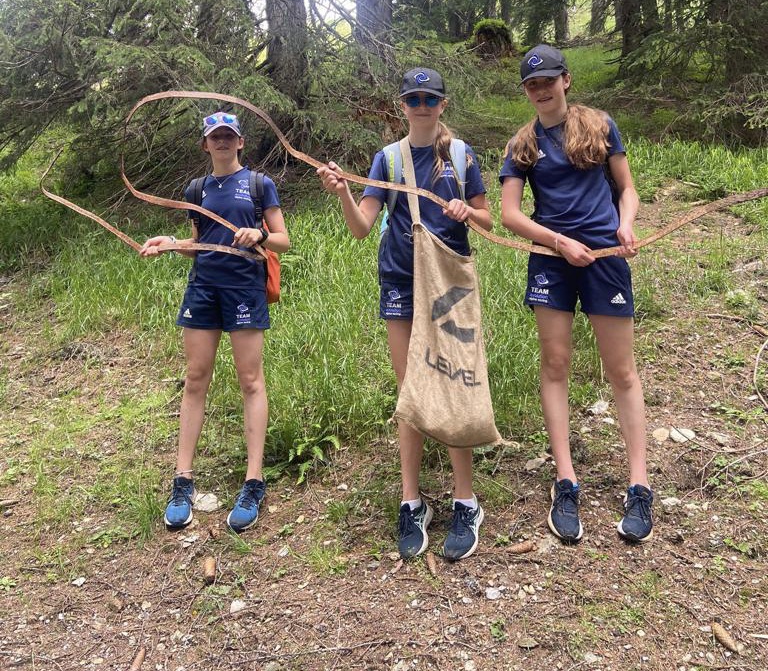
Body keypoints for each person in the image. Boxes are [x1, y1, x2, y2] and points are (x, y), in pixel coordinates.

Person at [317, 68, 493, 561]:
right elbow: (361, 227)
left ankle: (465, 502)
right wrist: (343, 192)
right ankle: (411, 501)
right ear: (402, 105)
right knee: (411, 389)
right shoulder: (388, 159)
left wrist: (466, 212)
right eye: (413, 99)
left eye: (430, 99)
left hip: (449, 283)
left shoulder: (461, 155)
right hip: (400, 279)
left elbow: (486, 219)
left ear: (442, 104)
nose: (421, 106)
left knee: (454, 380)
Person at [499, 45, 653, 544]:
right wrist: (557, 241)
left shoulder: (600, 125)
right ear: (526, 91)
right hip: (551, 262)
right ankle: (564, 480)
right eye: (532, 84)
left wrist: (626, 225)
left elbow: (627, 188)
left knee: (621, 370)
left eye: (548, 80)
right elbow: (509, 214)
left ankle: (639, 484)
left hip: (605, 258)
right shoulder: (521, 144)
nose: (541, 90)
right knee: (555, 364)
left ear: (565, 80)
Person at [141, 111, 290, 533]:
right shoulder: (197, 189)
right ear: (205, 144)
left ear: (240, 142)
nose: (222, 141)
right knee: (195, 378)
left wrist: (260, 235)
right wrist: (171, 244)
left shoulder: (259, 184)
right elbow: (198, 244)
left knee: (250, 380)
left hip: (244, 290)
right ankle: (182, 481)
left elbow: (283, 239)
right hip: (203, 289)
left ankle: (254, 481)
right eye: (215, 136)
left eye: (229, 135)